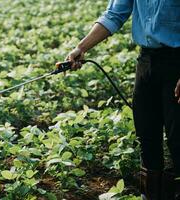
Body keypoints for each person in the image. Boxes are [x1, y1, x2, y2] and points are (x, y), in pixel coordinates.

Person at [63, 0, 180, 199]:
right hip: (146, 61)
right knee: (147, 135)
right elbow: (113, 15)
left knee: (178, 138)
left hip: (177, 64)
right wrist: (81, 48)